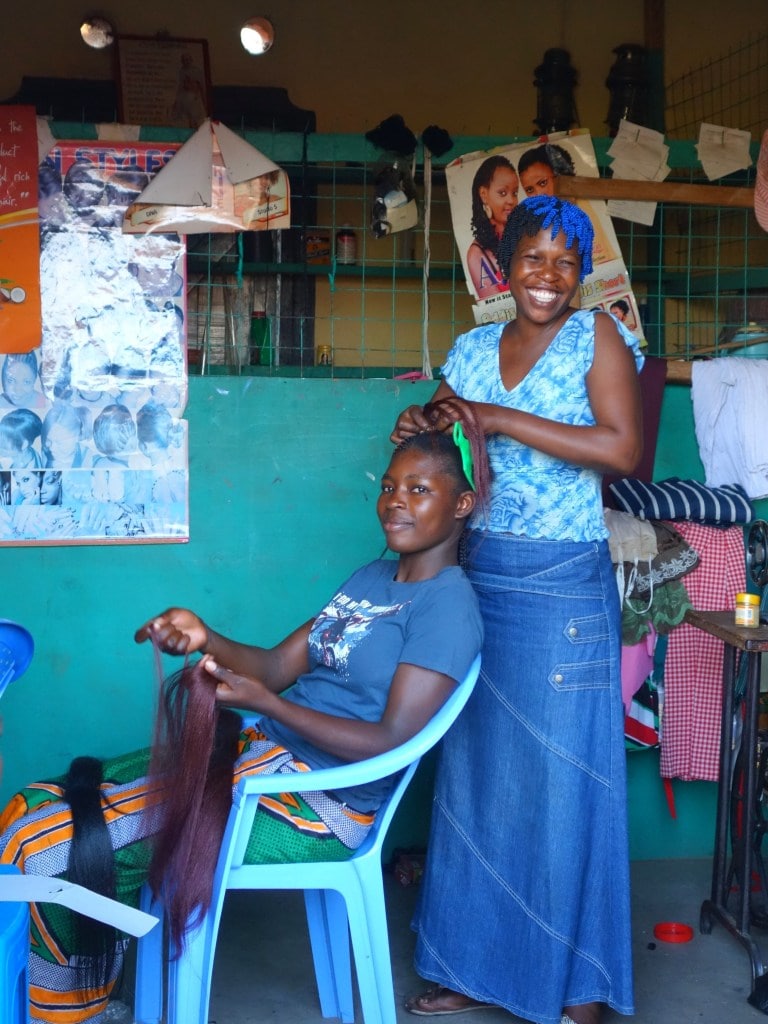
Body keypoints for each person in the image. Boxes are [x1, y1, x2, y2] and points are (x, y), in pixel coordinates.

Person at [0, 426, 486, 1024]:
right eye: (389, 486)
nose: (395, 501)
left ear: (461, 504)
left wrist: (272, 706)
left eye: (418, 489)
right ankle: (77, 993)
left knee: (47, 848)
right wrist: (207, 636)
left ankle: (67, 1012)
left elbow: (392, 738)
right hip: (259, 756)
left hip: (313, 806)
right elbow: (279, 665)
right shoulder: (370, 579)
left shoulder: (448, 607)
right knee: (32, 806)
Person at [391, 195, 643, 1024]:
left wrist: (500, 419)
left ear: (582, 274)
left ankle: (578, 984)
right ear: (503, 266)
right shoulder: (467, 350)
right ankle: (473, 962)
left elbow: (621, 449)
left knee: (564, 783)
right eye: (533, 258)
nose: (550, 277)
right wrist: (419, 425)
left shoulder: (596, 337)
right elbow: (440, 440)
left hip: (561, 587)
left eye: (566, 262)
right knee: (475, 780)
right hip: (475, 581)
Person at [466, 155, 519, 299]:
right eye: (502, 193)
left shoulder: (524, 237)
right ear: (484, 194)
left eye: (514, 193)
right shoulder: (477, 254)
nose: (511, 200)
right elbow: (497, 314)